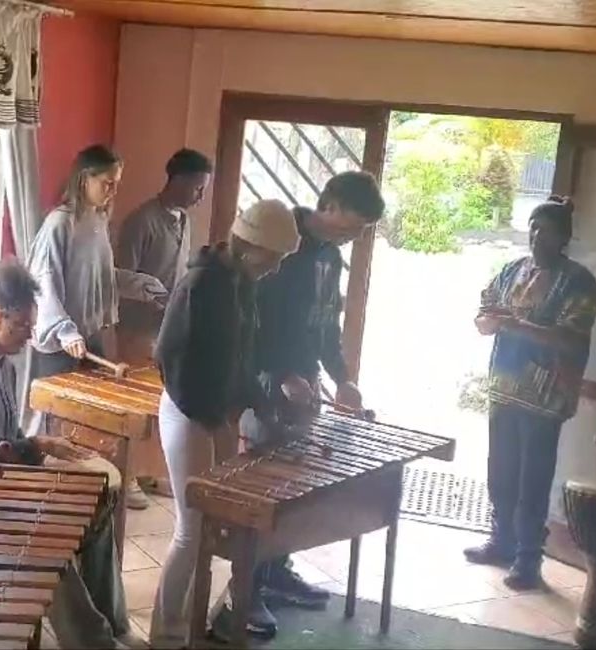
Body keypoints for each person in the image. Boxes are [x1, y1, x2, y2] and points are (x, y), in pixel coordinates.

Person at [0, 261, 138, 650]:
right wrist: (41, 447)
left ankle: (114, 625)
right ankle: (92, 643)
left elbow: (10, 437)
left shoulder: (3, 363)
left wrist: (52, 458)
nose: (30, 337)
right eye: (24, 328)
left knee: (95, 510)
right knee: (45, 540)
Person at [236, 172, 386, 638]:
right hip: (267, 381)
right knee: (259, 491)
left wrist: (343, 380)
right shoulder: (281, 239)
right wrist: (280, 376)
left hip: (306, 381)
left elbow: (325, 326)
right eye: (350, 226)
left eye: (360, 232)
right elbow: (252, 321)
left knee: (294, 487)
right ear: (330, 205)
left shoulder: (330, 257)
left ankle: (277, 570)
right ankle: (245, 590)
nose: (353, 237)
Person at [147, 199, 301, 649]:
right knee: (191, 531)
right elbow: (170, 358)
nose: (274, 268)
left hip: (214, 415)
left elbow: (240, 360)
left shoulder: (241, 283)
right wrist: (212, 419)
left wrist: (263, 405)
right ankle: (167, 635)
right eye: (273, 258)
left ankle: (199, 623)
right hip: (187, 409)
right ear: (251, 246)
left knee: (217, 530)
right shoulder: (202, 283)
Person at [465, 197, 596, 590]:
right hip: (504, 387)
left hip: (546, 396)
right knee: (501, 469)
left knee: (533, 477)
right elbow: (485, 310)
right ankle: (500, 540)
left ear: (565, 237)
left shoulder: (579, 281)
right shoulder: (513, 270)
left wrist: (516, 324)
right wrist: (489, 322)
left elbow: (570, 336)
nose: (538, 236)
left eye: (548, 230)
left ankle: (528, 559)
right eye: (533, 227)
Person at [26, 144, 164, 509]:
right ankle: (46, 494)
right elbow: (43, 282)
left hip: (89, 338)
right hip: (61, 344)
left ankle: (87, 495)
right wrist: (64, 330)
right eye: (107, 182)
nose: (113, 190)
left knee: (95, 425)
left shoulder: (98, 221)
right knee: (56, 424)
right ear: (84, 178)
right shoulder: (60, 222)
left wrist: (139, 283)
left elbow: (101, 278)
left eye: (117, 183)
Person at [114, 148, 213, 364]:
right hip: (139, 334)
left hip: (171, 328)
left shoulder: (186, 221)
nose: (201, 197)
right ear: (178, 181)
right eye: (198, 189)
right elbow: (121, 281)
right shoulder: (140, 222)